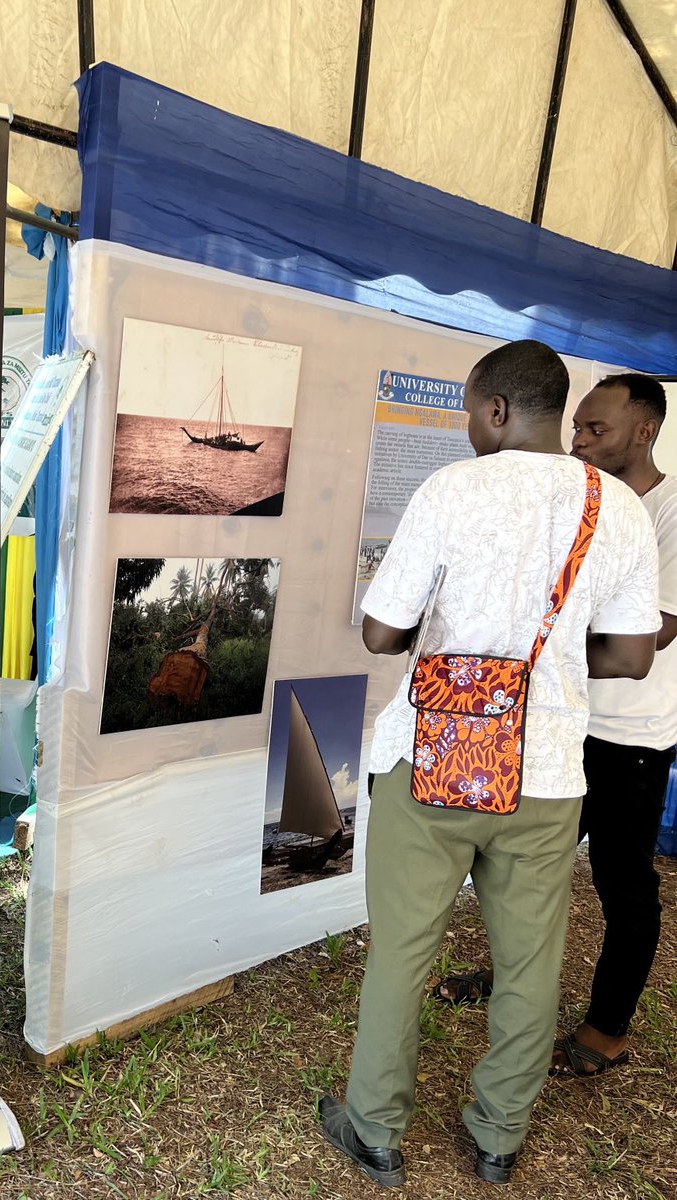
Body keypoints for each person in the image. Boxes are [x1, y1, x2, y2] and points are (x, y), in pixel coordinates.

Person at [319, 340, 660, 1189]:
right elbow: (631, 655)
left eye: (472, 410)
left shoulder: (453, 489)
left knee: (402, 949)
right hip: (547, 773)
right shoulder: (617, 508)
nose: (470, 425)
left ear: (499, 410)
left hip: (433, 757)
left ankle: (374, 1129)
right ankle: (499, 1136)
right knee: (531, 960)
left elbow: (382, 635)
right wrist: (541, 666)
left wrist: (469, 644)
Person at [433, 373, 677, 1078]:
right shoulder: (584, 501)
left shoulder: (664, 511)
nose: (579, 443)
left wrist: (536, 648)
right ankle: (508, 978)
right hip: (563, 723)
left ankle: (607, 1028)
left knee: (623, 883)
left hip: (631, 739)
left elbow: (648, 640)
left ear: (645, 429)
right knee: (520, 872)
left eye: (595, 430)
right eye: (575, 429)